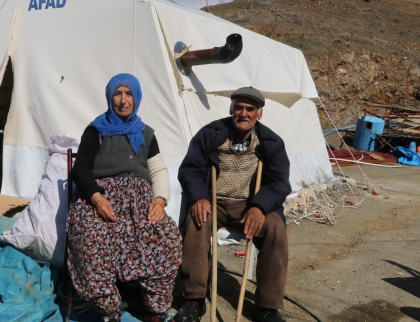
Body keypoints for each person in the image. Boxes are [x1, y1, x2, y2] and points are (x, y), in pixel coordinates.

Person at [67, 73, 182, 322]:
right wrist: (97, 199)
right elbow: (81, 168)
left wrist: (160, 200)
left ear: (137, 97)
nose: (122, 100)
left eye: (128, 93)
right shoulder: (96, 130)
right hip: (102, 199)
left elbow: (158, 170)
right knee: (90, 238)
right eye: (117, 94)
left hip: (140, 202)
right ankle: (109, 309)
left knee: (167, 237)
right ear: (110, 98)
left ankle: (155, 309)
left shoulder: (146, 133)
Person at [175, 87, 291, 322]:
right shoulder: (210, 133)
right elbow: (190, 170)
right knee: (197, 221)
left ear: (259, 114)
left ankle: (267, 307)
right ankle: (194, 301)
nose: (244, 113)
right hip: (213, 201)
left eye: (250, 109)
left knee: (275, 227)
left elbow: (279, 182)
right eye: (239, 107)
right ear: (231, 109)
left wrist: (260, 207)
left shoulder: (271, 142)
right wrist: (199, 197)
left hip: (251, 205)